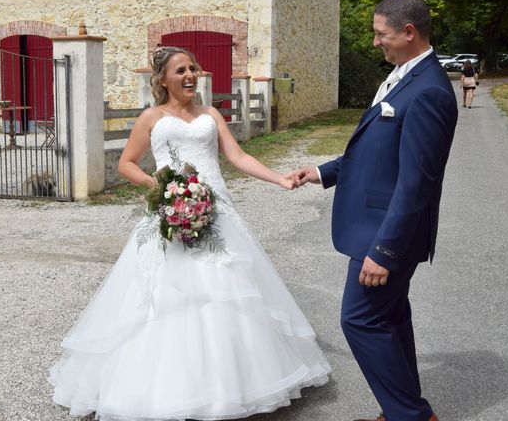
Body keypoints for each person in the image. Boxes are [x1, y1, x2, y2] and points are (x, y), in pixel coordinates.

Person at [49, 46, 331, 420]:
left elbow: (238, 157)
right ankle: (166, 388)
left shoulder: (211, 114)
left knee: (227, 292)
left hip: (217, 212)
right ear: (163, 79)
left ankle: (232, 384)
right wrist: (163, 190)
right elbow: (127, 163)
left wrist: (279, 178)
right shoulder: (151, 117)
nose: (189, 76)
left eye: (193, 69)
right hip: (170, 214)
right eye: (180, 70)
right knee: (167, 300)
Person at [295, 0, 457, 421]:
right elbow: (376, 155)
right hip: (379, 227)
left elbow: (416, 182)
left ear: (408, 33)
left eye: (379, 34)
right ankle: (400, 409)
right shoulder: (404, 77)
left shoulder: (429, 92)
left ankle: (411, 416)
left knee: (360, 321)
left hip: (387, 234)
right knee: (390, 318)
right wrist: (323, 171)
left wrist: (385, 251)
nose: (374, 42)